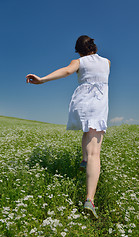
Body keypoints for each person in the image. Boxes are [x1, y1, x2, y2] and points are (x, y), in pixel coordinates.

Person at [26, 35, 111, 219]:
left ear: (79, 50)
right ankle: (89, 199)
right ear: (94, 47)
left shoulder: (78, 61)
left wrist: (42, 80)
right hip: (98, 105)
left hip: (82, 103)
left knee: (86, 131)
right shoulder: (107, 62)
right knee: (95, 152)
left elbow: (66, 71)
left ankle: (83, 160)